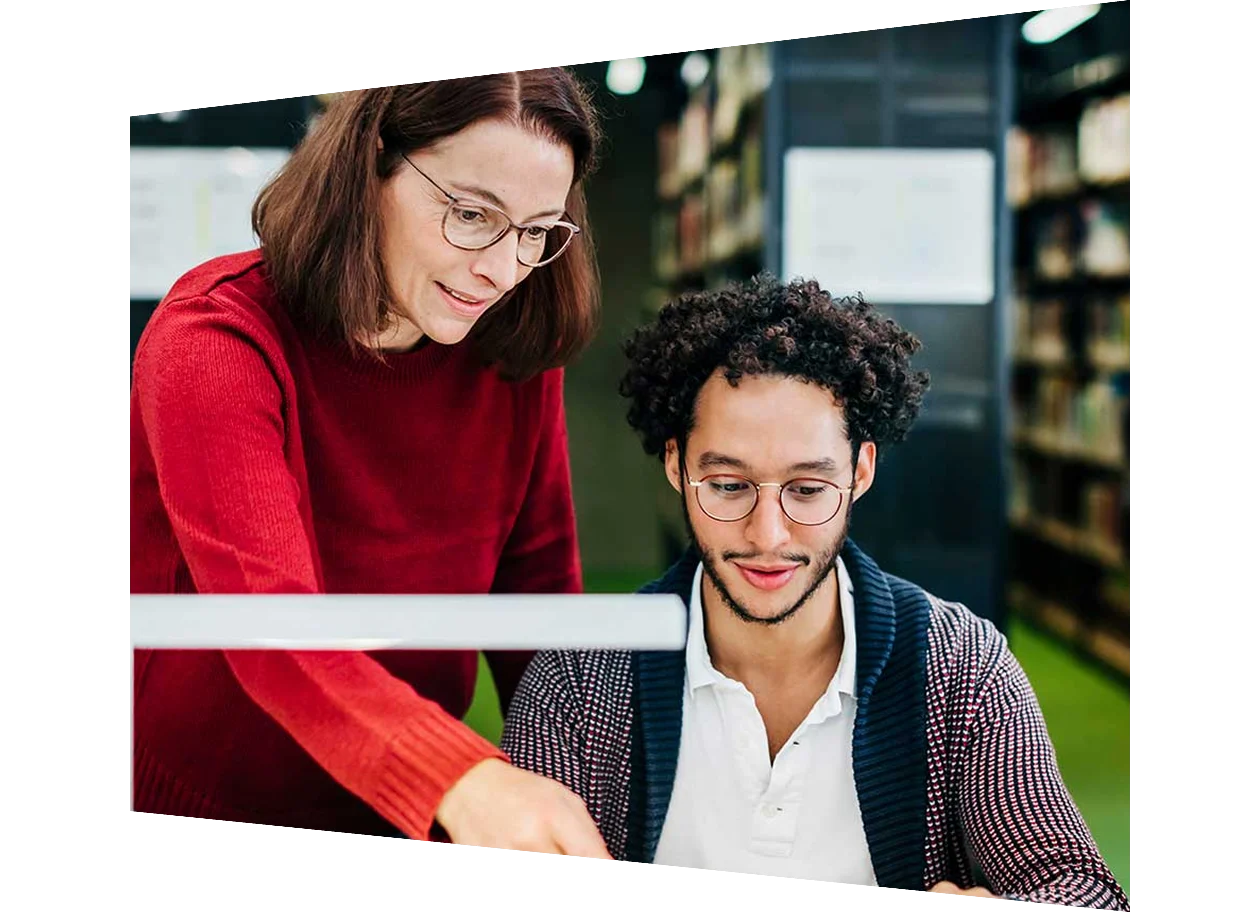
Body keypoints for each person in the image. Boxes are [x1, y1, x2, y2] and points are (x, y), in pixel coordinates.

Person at [501, 275, 1131, 909]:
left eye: (806, 490)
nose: (767, 535)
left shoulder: (962, 668)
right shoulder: (579, 674)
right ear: (677, 466)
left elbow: (1079, 885)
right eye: (727, 485)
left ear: (860, 471)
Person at [129, 75, 611, 858]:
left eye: (536, 232)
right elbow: (270, 629)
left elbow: (539, 601)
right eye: (471, 215)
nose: (502, 268)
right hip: (212, 796)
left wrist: (590, 770)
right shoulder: (212, 340)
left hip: (415, 814)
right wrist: (460, 778)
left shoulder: (510, 350)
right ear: (370, 167)